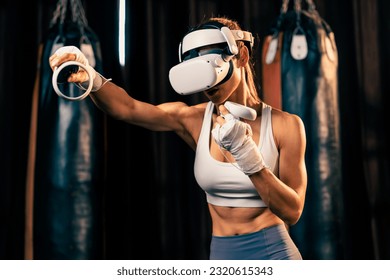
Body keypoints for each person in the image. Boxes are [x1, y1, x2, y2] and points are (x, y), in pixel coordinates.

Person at [49, 16, 307, 260]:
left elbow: (292, 212)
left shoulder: (286, 126)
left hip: (274, 253)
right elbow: (127, 108)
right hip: (222, 255)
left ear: (242, 56)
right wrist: (90, 77)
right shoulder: (194, 120)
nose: (208, 88)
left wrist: (250, 159)